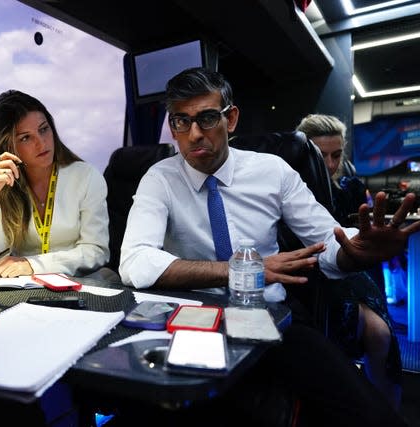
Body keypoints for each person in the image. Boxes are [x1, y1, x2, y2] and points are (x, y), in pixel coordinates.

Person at [119, 67, 418, 426]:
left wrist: (354, 249)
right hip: (192, 318)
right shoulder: (160, 178)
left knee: (366, 413)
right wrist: (237, 270)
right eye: (181, 122)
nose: (194, 134)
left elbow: (327, 242)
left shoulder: (273, 171)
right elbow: (135, 260)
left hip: (270, 317)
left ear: (231, 119)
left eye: (207, 118)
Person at [296, 113, 402, 408]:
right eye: (321, 156)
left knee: (380, 334)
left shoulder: (352, 187)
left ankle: (387, 410)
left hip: (353, 270)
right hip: (309, 273)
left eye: (336, 155)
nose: (330, 165)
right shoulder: (289, 189)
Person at [0, 90, 110, 278]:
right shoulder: (4, 185)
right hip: (26, 288)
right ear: (9, 146)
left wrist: (34, 265)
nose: (41, 142)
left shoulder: (86, 176)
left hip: (81, 283)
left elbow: (97, 251)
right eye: (26, 137)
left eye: (43, 129)